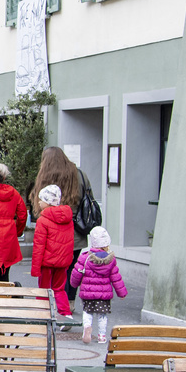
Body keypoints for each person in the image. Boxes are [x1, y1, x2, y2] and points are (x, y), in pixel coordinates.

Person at [29, 146, 89, 311]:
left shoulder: (44, 176)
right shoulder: (79, 174)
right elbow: (87, 196)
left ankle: (47, 304)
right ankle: (68, 303)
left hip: (50, 233)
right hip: (74, 230)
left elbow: (36, 200)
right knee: (70, 268)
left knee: (49, 275)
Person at [70, 227, 127, 344]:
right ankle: (102, 336)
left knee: (87, 312)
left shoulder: (85, 258)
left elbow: (76, 273)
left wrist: (73, 284)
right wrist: (122, 293)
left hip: (87, 292)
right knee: (102, 315)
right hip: (104, 294)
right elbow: (116, 277)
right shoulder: (110, 260)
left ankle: (87, 327)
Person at [31, 184, 74, 317]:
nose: (39, 202)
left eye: (41, 200)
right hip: (62, 262)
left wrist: (35, 268)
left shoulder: (42, 220)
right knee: (59, 289)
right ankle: (66, 314)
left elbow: (39, 246)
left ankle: (43, 314)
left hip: (47, 262)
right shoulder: (68, 219)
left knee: (43, 290)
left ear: (48, 202)